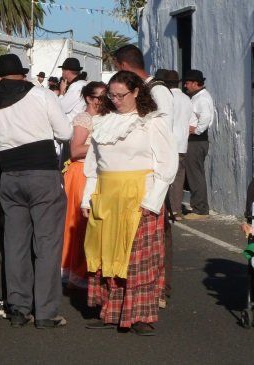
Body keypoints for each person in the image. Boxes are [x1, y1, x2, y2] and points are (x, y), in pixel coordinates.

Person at [0, 54, 72, 328]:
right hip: (43, 174)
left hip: (9, 176)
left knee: (14, 244)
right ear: (23, 74)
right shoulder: (41, 95)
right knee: (47, 245)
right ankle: (46, 313)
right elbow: (65, 132)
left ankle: (18, 308)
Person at [81, 71, 177, 336]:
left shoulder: (151, 122)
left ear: (136, 92)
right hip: (107, 194)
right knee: (107, 255)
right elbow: (93, 166)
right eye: (111, 95)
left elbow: (167, 164)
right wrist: (87, 198)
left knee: (137, 259)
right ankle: (110, 311)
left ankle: (140, 316)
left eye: (121, 95)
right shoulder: (103, 122)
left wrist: (153, 199)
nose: (116, 99)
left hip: (139, 195)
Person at [61, 81, 106, 289]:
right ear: (89, 98)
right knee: (78, 223)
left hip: (97, 173)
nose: (104, 101)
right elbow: (76, 149)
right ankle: (73, 270)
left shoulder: (105, 117)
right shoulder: (84, 118)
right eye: (100, 97)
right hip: (81, 173)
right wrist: (103, 147)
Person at [160, 70, 194, 219]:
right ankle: (176, 210)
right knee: (179, 178)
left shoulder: (167, 97)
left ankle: (165, 208)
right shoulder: (187, 99)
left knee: (165, 176)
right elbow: (192, 122)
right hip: (182, 144)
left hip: (168, 143)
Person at [183, 69, 214, 220]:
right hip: (194, 141)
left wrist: (196, 130)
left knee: (195, 175)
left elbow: (206, 117)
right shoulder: (196, 97)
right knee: (193, 174)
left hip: (196, 141)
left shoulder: (202, 98)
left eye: (188, 83)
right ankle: (198, 206)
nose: (185, 85)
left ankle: (200, 210)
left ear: (196, 83)